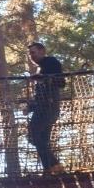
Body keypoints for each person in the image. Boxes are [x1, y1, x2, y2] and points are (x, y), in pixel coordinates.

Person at [26, 42, 66, 175]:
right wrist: (30, 107)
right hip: (43, 108)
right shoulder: (39, 69)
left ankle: (54, 165)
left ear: (42, 51)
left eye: (33, 52)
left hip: (48, 107)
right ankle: (49, 169)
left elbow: (61, 82)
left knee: (33, 134)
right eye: (30, 53)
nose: (31, 56)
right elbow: (39, 95)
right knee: (41, 140)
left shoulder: (51, 62)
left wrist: (43, 77)